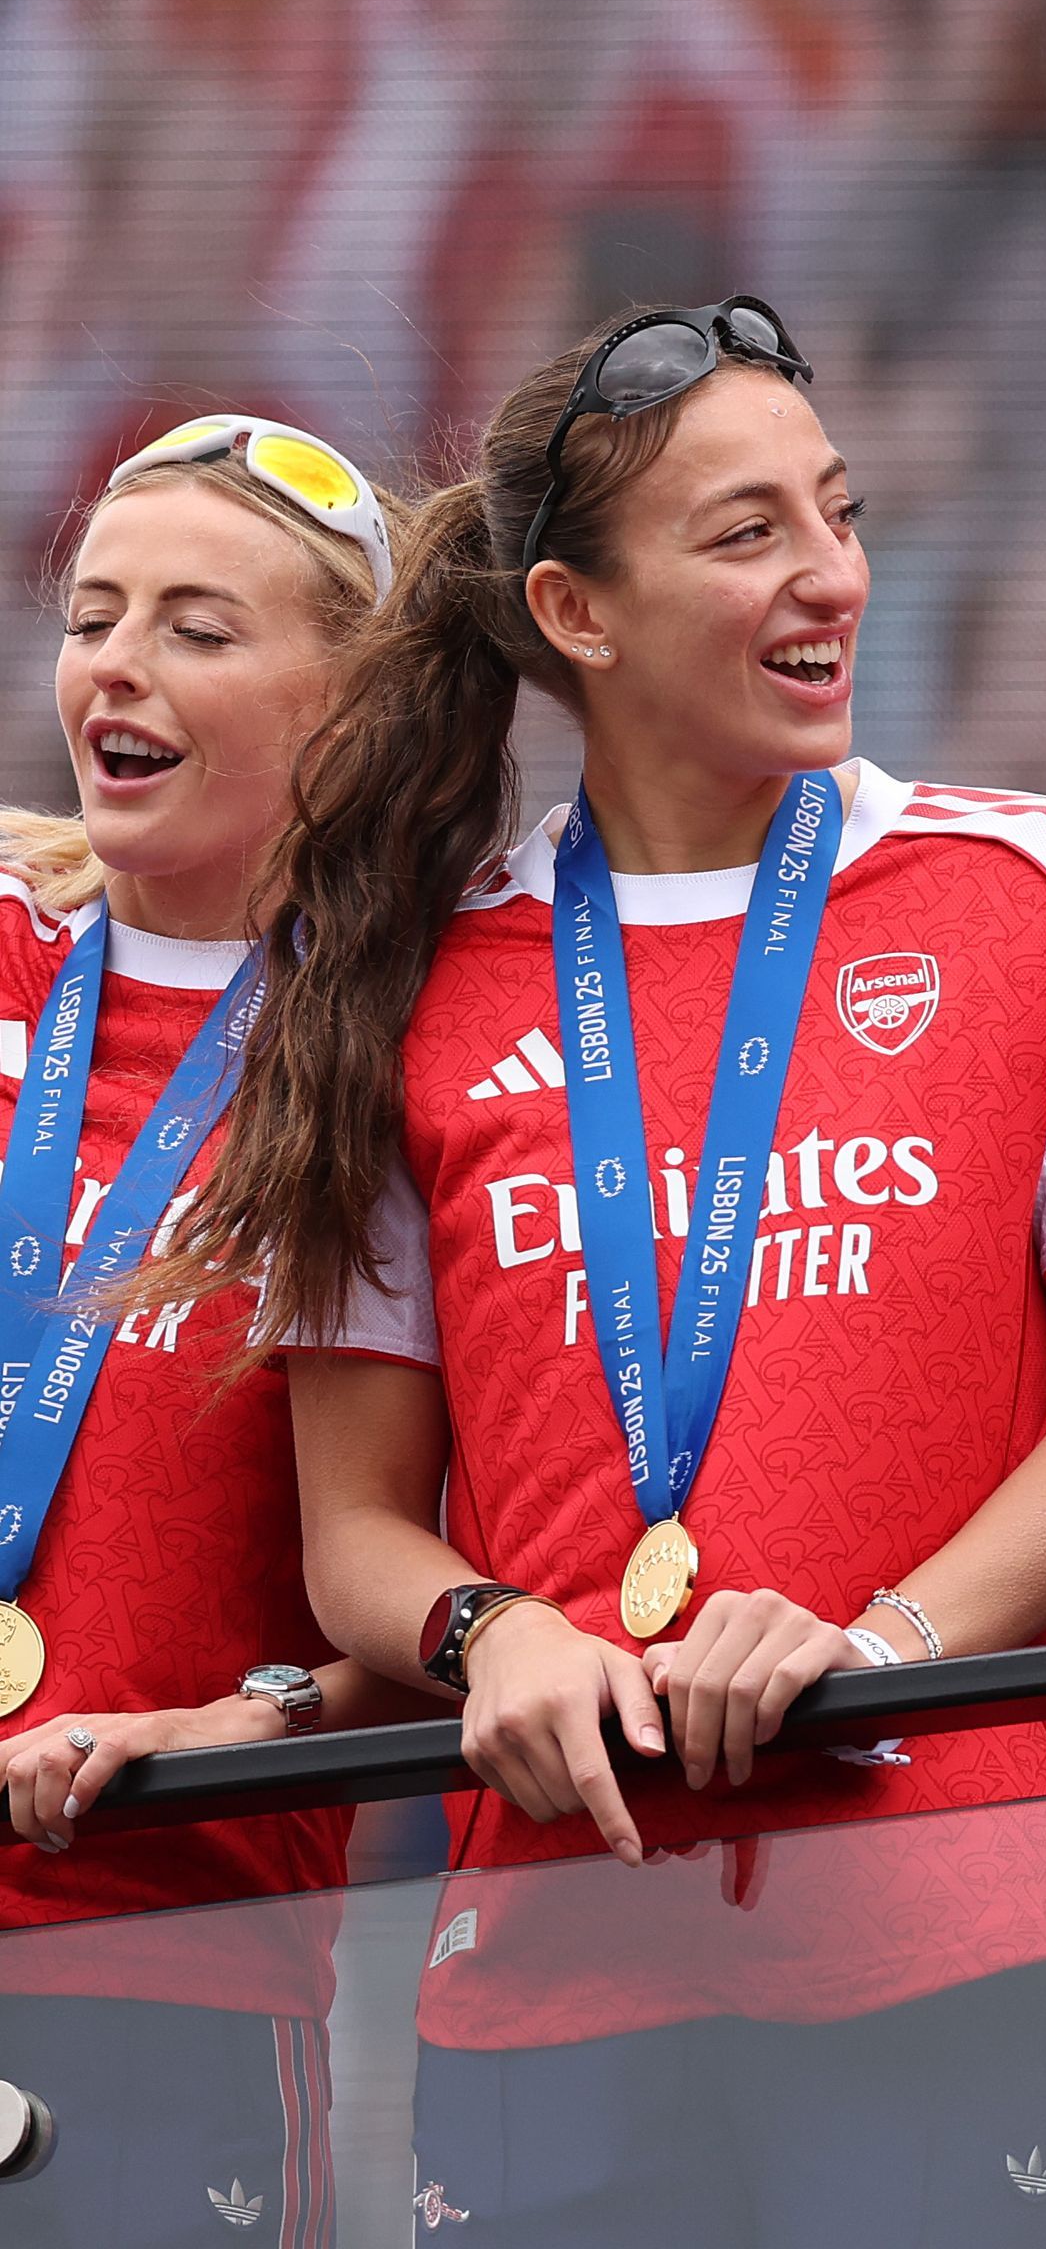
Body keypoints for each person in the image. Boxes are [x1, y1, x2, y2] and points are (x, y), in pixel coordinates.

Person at [158, 303, 1046, 2245]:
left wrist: (879, 1643)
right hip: (548, 1951)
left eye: (839, 513)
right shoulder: (411, 976)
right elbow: (355, 1535)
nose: (833, 575)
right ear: (576, 612)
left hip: (944, 1920)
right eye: (749, 535)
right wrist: (499, 1633)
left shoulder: (1034, 885)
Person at [0, 420, 411, 2249]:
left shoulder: (419, 1053)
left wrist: (262, 1717)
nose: (118, 664)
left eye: (197, 627)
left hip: (171, 1969)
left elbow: (490, 1561)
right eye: (95, 616)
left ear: (352, 712)